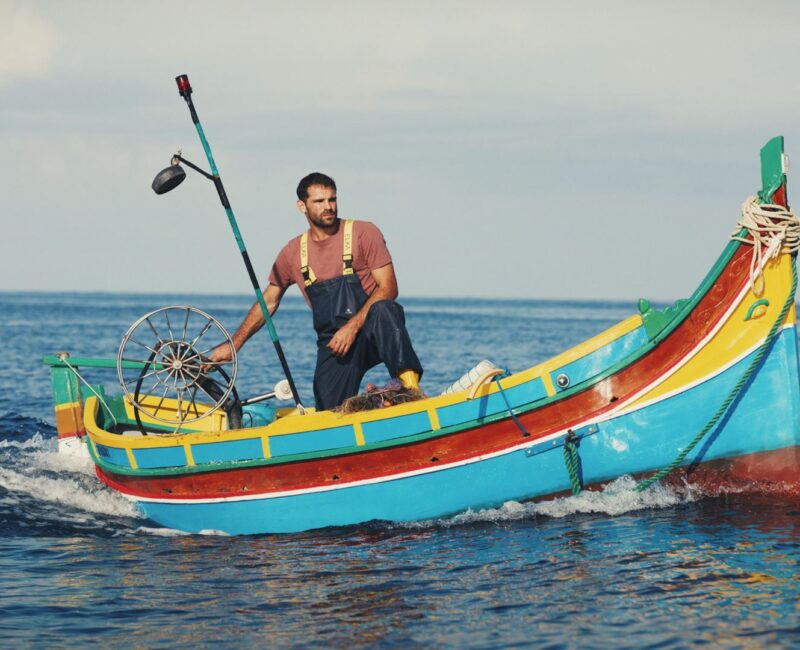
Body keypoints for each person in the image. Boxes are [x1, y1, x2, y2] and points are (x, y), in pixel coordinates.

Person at [209, 172, 423, 411]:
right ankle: (375, 398)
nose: (328, 207)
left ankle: (412, 393)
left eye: (332, 199)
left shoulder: (364, 232)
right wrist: (233, 345)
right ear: (302, 206)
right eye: (319, 202)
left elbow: (389, 288)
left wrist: (351, 328)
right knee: (329, 412)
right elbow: (268, 301)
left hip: (371, 330)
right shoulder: (292, 252)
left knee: (385, 309)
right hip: (334, 343)